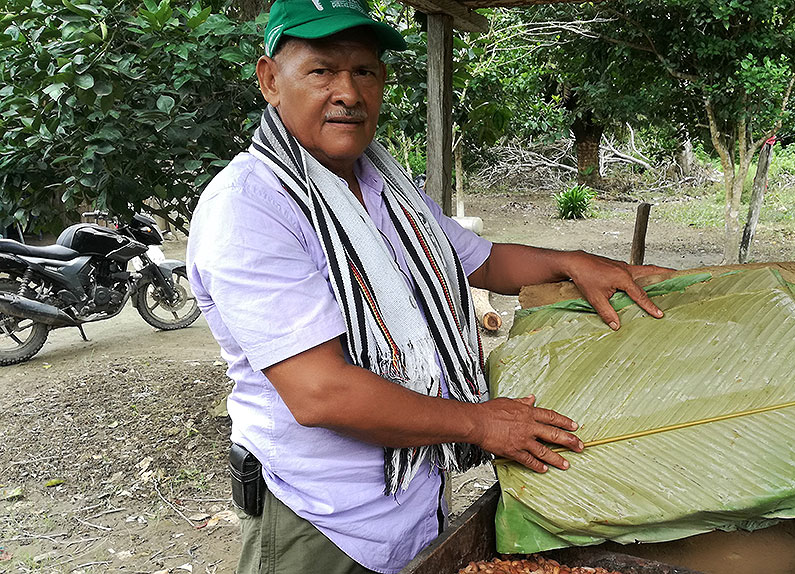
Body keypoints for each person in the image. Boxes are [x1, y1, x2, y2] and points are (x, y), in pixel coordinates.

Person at [186, 1, 668, 573]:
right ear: (270, 80)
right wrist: (480, 422)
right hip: (323, 522)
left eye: (364, 70)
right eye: (321, 71)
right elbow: (320, 393)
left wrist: (573, 260)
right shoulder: (250, 206)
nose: (348, 92)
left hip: (414, 499)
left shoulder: (386, 187)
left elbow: (483, 262)